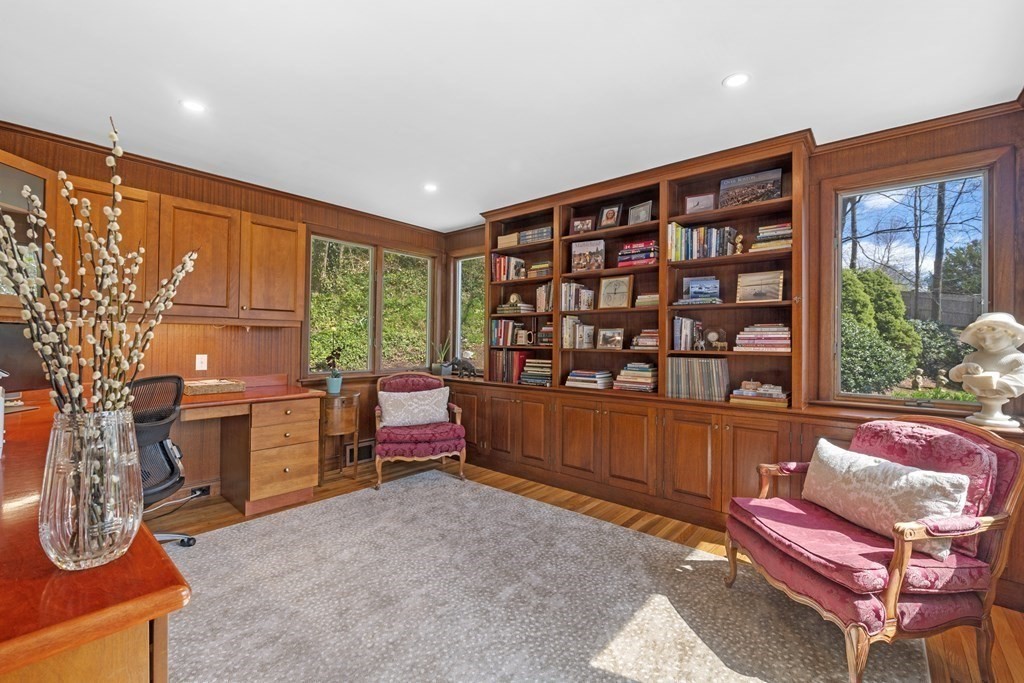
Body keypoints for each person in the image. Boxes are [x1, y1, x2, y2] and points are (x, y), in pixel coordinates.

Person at [949, 312, 1024, 426]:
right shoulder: (973, 357)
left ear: (1012, 334)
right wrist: (963, 369)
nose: (987, 342)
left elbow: (1017, 383)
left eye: (994, 337)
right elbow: (953, 376)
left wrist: (984, 384)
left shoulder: (1018, 359)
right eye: (982, 338)